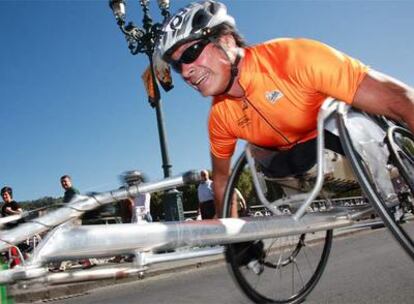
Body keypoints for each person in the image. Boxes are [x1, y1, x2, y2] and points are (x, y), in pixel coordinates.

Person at [155, 0, 414, 218]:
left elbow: (402, 100)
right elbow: (221, 181)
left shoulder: (295, 58)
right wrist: (236, 241)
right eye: (177, 66)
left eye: (191, 54)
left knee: (348, 114)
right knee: (256, 151)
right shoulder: (220, 117)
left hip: (345, 142)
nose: (186, 72)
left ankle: (389, 187)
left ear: (226, 40)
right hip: (302, 167)